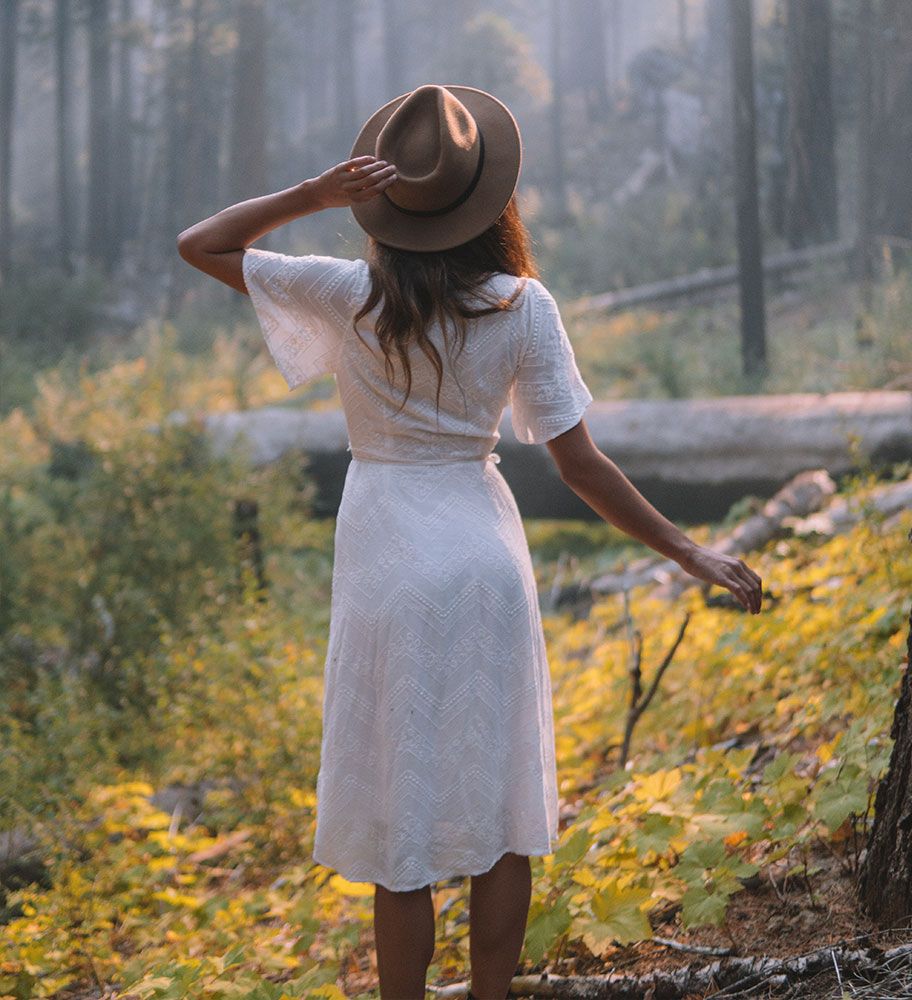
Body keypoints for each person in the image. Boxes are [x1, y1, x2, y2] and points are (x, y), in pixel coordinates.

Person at [178, 83, 762, 1000]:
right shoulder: (523, 306)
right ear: (490, 201)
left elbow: (201, 244)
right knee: (502, 816)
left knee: (400, 842)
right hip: (486, 560)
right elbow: (583, 466)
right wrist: (692, 553)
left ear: (385, 203)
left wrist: (311, 195)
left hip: (387, 563)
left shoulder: (349, 293)